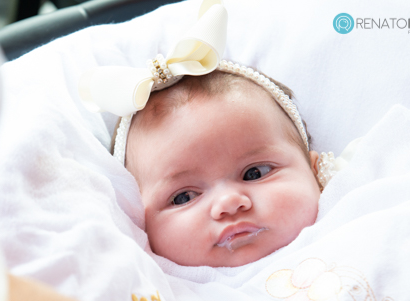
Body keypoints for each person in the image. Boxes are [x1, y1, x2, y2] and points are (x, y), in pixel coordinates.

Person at [123, 68, 324, 268]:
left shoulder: (340, 227)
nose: (228, 203)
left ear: (316, 172)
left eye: (254, 173)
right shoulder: (147, 280)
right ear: (139, 224)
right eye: (184, 197)